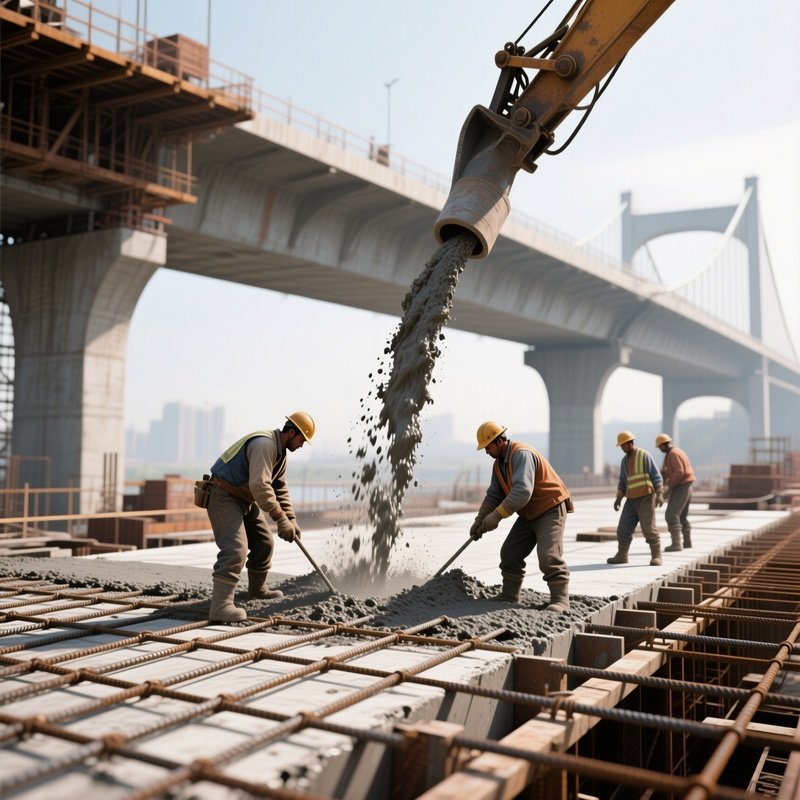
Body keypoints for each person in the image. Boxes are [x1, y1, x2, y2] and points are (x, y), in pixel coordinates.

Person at [205, 411, 316, 623]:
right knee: (235, 549)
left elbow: (279, 488)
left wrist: (290, 519)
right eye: (302, 439)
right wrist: (279, 518)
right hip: (224, 494)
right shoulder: (265, 445)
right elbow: (260, 485)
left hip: (244, 498)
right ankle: (220, 606)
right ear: (291, 432)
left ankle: (257, 590)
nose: (302, 445)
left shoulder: (280, 453)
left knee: (264, 542)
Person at [470, 421, 572, 612]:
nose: (486, 452)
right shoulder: (499, 465)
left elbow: (522, 491)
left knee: (548, 557)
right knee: (510, 553)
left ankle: (561, 600)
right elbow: (494, 495)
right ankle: (510, 594)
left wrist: (497, 516)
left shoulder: (521, 454)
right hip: (529, 513)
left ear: (499, 441)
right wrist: (480, 519)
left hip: (550, 508)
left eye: (488, 447)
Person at [607, 431, 664, 566]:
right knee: (623, 528)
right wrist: (618, 498)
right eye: (620, 445)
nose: (621, 448)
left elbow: (656, 476)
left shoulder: (644, 455)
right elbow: (623, 482)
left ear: (629, 443)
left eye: (623, 445)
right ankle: (622, 555)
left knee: (648, 529)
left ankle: (657, 555)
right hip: (631, 500)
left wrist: (660, 493)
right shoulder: (624, 461)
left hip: (645, 498)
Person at [656, 433, 696, 551]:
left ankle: (676, 544)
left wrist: (669, 486)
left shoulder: (673, 454)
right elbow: (665, 472)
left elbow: (679, 472)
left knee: (671, 515)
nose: (659, 449)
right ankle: (687, 542)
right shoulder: (675, 452)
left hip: (681, 486)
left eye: (659, 447)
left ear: (663, 445)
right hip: (686, 486)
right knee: (682, 516)